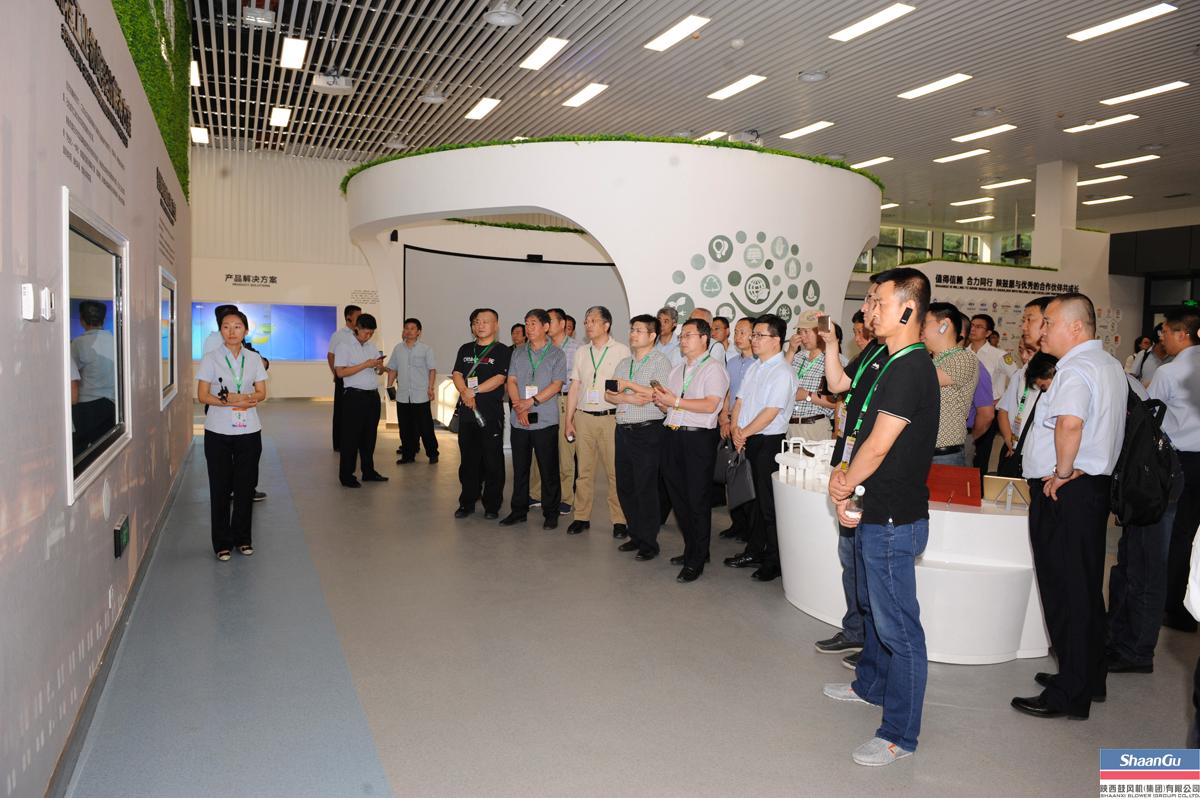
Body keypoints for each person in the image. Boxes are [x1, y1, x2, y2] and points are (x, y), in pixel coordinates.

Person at [823, 267, 938, 766]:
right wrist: (848, 484)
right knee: (876, 612)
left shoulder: (911, 367)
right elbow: (863, 438)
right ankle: (871, 687)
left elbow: (878, 445)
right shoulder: (890, 360)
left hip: (894, 519)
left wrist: (845, 482)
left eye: (879, 303)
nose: (870, 311)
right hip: (877, 508)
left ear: (908, 310)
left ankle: (899, 735)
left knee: (900, 632)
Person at [1013, 293, 1126, 721]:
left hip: (1067, 490)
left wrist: (1061, 472)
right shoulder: (1109, 364)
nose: (1043, 331)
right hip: (1092, 490)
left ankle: (1069, 692)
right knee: (1084, 589)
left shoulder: (1075, 368)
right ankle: (1087, 676)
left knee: (1065, 591)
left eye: (1050, 322)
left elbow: (1071, 423)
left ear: (1076, 327)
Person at [814, 280, 884, 664]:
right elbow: (838, 383)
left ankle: (873, 642)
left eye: (874, 301)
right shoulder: (872, 351)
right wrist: (830, 346)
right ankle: (855, 630)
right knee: (850, 555)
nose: (868, 308)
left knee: (868, 559)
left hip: (871, 473)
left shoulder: (904, 358)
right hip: (849, 461)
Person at [654, 318, 729, 582]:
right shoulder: (677, 370)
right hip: (672, 435)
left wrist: (674, 401)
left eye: (688, 335)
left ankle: (696, 559)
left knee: (697, 499)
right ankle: (694, 549)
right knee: (679, 498)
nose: (682, 340)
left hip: (698, 439)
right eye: (681, 336)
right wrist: (663, 402)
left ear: (704, 338)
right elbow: (673, 406)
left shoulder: (714, 369)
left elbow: (710, 405)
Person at [723, 314, 796, 582]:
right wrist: (735, 429)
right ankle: (754, 550)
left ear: (776, 340)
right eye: (753, 335)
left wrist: (743, 433)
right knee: (751, 501)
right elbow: (739, 401)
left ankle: (774, 561)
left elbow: (771, 412)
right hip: (748, 439)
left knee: (768, 505)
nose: (754, 340)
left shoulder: (783, 372)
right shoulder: (755, 367)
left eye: (759, 335)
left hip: (768, 443)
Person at [196, 308, 268, 561]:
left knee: (245, 487)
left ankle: (243, 539)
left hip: (249, 430)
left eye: (237, 326)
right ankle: (222, 543)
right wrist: (231, 401)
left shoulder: (254, 359)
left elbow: (262, 392)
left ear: (245, 330)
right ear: (221, 330)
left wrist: (244, 397)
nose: (232, 331)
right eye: (226, 326)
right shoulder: (211, 358)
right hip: (218, 430)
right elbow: (202, 395)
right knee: (220, 487)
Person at [609, 315, 672, 559]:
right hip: (623, 430)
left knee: (645, 487)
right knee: (625, 486)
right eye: (632, 329)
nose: (632, 334)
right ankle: (635, 535)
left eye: (638, 330)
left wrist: (627, 385)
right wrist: (629, 397)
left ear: (652, 335)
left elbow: (657, 394)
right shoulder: (624, 362)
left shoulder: (660, 362)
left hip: (647, 431)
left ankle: (649, 542)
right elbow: (608, 394)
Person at [564, 306, 631, 538]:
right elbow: (575, 386)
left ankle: (619, 520)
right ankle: (581, 517)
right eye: (586, 321)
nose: (588, 325)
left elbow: (626, 386)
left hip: (610, 418)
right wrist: (569, 420)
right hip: (583, 418)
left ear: (606, 325)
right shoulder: (582, 351)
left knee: (615, 472)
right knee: (583, 472)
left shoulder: (622, 351)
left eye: (593, 320)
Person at [502, 309, 568, 530]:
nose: (528, 328)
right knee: (520, 468)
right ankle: (518, 511)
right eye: (526, 324)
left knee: (548, 469)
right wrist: (518, 406)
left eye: (533, 324)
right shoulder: (518, 352)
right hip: (519, 419)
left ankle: (551, 512)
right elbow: (511, 380)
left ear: (545, 327)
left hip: (545, 420)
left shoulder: (557, 354)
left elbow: (556, 385)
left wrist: (530, 402)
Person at [1156, 307, 1200, 634]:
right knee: (1194, 534)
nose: (1162, 338)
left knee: (1175, 534)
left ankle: (1173, 606)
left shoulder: (1169, 372)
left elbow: (1150, 417)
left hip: (1179, 461)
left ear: (1182, 334)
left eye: (1166, 332)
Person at [451, 308, 511, 520]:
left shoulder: (502, 351)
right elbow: (457, 373)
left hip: (490, 415)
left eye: (486, 321)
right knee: (468, 460)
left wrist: (472, 391)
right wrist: (464, 391)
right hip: (468, 415)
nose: (480, 325)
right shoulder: (466, 349)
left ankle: (492, 504)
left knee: (492, 461)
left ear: (496, 325)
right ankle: (467, 502)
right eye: (477, 321)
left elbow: (499, 379)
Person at [996, 297, 1055, 472]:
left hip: (1043, 463)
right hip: (1018, 452)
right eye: (1023, 320)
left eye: (1030, 320)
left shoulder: (1060, 368)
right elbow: (1004, 410)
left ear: (1048, 322)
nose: (1023, 326)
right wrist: (1011, 440)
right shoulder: (1024, 370)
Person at [534, 308, 581, 515]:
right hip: (542, 401)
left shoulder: (577, 349)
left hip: (564, 400)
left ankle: (566, 497)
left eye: (550, 320)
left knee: (565, 451)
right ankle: (536, 493)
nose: (546, 324)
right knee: (540, 447)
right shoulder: (540, 347)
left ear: (562, 324)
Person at [333, 313, 388, 487]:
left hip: (372, 396)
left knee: (369, 436)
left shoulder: (372, 347)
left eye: (371, 333)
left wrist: (379, 367)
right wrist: (365, 364)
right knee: (351, 438)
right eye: (366, 332)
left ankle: (368, 471)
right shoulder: (344, 346)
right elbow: (340, 372)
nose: (368, 336)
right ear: (357, 328)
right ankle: (346, 475)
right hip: (354, 397)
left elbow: (377, 371)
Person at [921, 302, 977, 466]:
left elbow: (924, 379)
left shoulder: (964, 358)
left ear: (944, 325)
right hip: (920, 451)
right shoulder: (930, 360)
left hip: (944, 455)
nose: (920, 329)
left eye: (924, 323)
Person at [718, 318, 756, 542]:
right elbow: (726, 393)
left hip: (747, 427)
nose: (738, 336)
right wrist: (724, 417)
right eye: (736, 332)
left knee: (747, 479)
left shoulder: (759, 364)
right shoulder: (731, 362)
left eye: (743, 332)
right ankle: (737, 523)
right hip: (730, 424)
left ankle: (751, 529)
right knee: (731, 477)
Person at [968, 313, 1018, 472]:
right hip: (966, 410)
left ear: (988, 333)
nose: (973, 329)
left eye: (978, 327)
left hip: (988, 411)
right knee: (965, 451)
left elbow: (1017, 379)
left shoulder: (1000, 355)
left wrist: (1001, 400)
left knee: (981, 455)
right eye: (972, 325)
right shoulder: (963, 352)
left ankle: (978, 485)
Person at [386, 317, 438, 465]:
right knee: (405, 428)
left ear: (418, 332)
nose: (409, 331)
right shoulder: (398, 348)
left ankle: (432, 453)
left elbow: (432, 370)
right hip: (403, 395)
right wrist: (389, 387)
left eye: (412, 328)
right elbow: (392, 369)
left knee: (425, 427)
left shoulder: (426, 349)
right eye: (406, 328)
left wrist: (430, 388)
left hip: (421, 395)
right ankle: (408, 455)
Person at [70, 300, 117, 454]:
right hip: (112, 404)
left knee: (82, 452)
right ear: (103, 320)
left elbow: (72, 377)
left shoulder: (78, 344)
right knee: (105, 448)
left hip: (87, 408)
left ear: (82, 320)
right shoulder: (114, 341)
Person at [786, 310, 834, 441]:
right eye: (800, 332)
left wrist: (807, 396)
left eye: (807, 332)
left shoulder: (833, 360)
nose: (802, 337)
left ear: (820, 332)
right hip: (790, 426)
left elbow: (838, 403)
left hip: (815, 426)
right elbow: (780, 381)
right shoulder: (798, 356)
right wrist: (791, 351)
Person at [328, 305, 362, 451]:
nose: (360, 318)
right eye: (358, 316)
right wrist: (335, 373)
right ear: (348, 318)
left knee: (355, 412)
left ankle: (355, 441)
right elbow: (330, 355)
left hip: (357, 377)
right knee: (341, 411)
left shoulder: (360, 334)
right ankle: (339, 444)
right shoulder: (339, 335)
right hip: (343, 376)